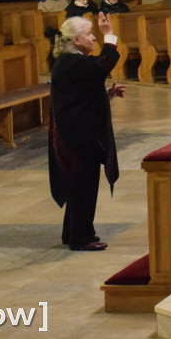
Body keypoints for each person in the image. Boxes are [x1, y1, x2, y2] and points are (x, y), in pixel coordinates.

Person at [48, 13, 125, 251]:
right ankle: (81, 238)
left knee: (78, 184)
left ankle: (72, 232)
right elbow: (104, 63)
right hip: (77, 136)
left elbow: (80, 93)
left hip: (77, 132)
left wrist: (106, 95)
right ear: (75, 40)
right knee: (84, 185)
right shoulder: (73, 62)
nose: (94, 39)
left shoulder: (72, 62)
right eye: (89, 35)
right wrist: (109, 35)